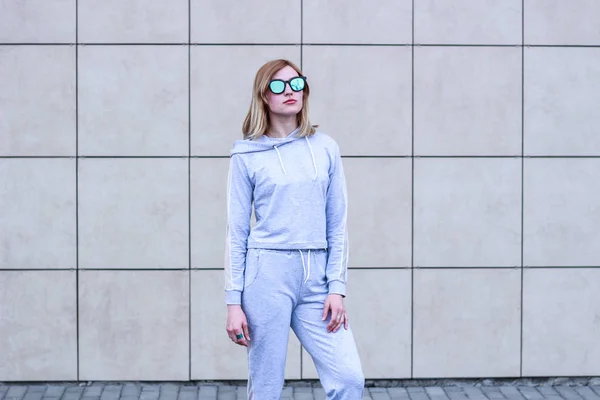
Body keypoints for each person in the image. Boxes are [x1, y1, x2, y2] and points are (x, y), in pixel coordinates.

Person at [224, 59, 364, 399]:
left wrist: (337, 288)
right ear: (263, 96)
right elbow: (236, 232)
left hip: (317, 279)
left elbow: (337, 224)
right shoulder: (246, 155)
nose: (290, 91)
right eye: (278, 85)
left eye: (296, 83)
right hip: (266, 276)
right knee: (266, 387)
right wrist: (233, 303)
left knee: (348, 378)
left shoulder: (326, 148)